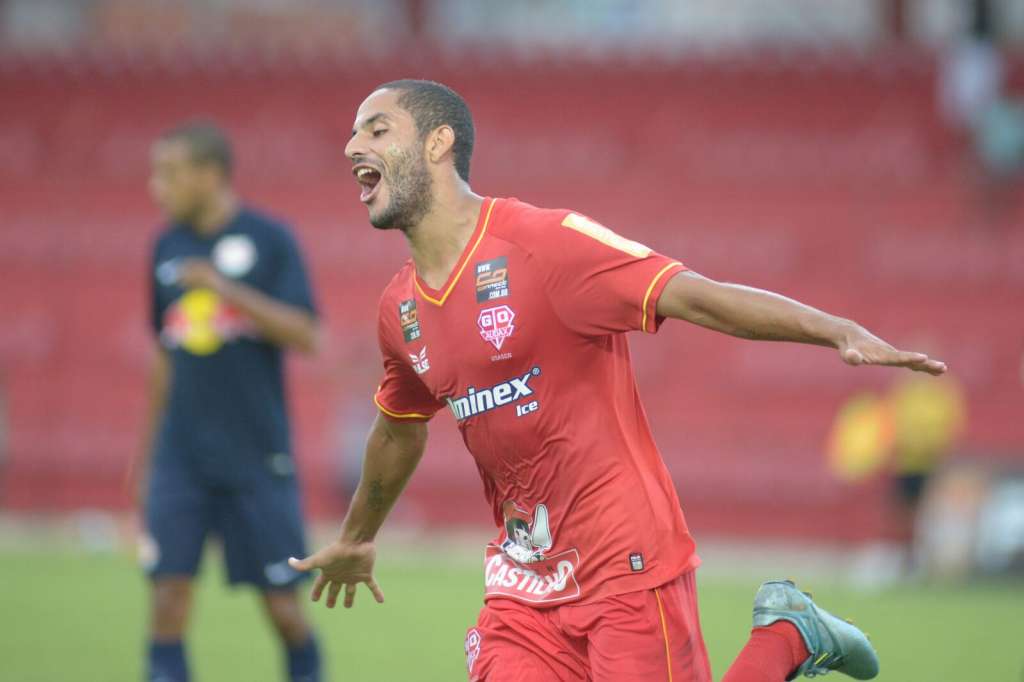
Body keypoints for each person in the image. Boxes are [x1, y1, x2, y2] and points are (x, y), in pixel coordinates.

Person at [289, 80, 946, 681]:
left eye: (376, 130)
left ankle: (785, 637)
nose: (352, 146)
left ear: (438, 143)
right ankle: (787, 635)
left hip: (627, 567)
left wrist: (837, 330)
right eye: (352, 133)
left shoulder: (544, 245)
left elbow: (697, 296)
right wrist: (358, 534)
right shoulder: (398, 309)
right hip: (523, 583)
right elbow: (399, 428)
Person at [135, 122, 323, 682]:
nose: (157, 187)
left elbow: (306, 335)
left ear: (210, 174)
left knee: (284, 610)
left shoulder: (270, 239)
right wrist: (144, 458)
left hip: (256, 458)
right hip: (181, 458)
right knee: (167, 600)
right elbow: (165, 353)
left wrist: (223, 288)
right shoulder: (165, 245)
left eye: (170, 173)